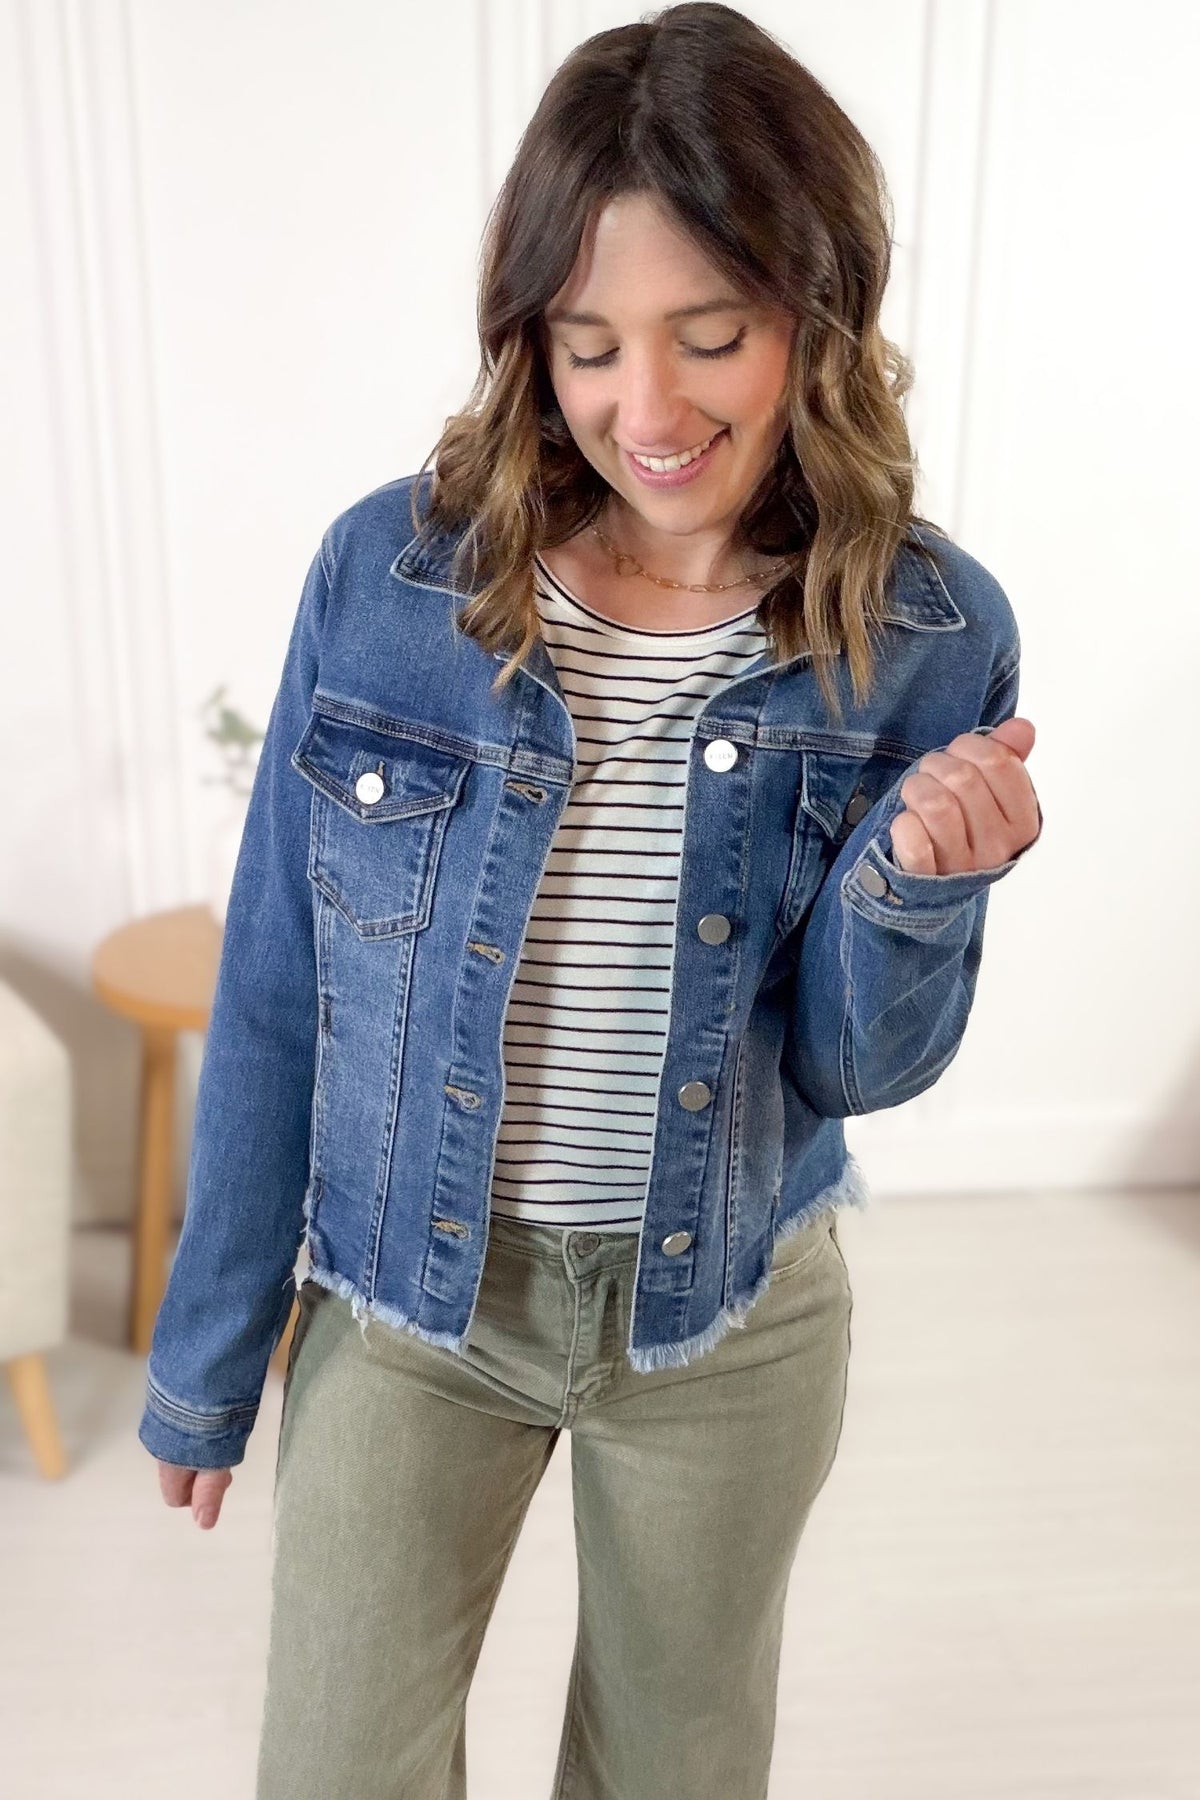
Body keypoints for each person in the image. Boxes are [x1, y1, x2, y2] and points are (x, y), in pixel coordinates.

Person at [142, 5, 1043, 1795]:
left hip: (724, 1323)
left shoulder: (930, 634)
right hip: (417, 1307)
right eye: (587, 345)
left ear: (818, 312)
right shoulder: (391, 576)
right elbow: (276, 986)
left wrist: (921, 893)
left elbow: (861, 1071)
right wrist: (210, 1347)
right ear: (527, 342)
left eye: (712, 338)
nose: (649, 407)